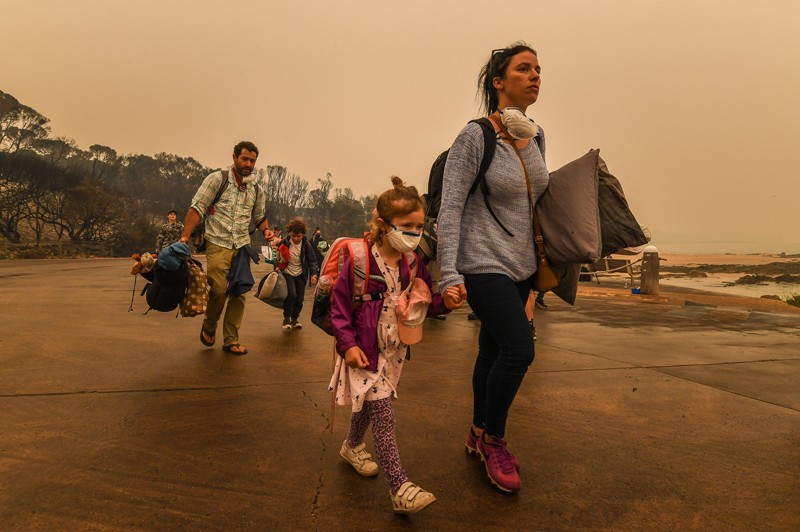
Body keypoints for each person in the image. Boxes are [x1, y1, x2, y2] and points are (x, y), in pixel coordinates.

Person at [437, 42, 549, 493]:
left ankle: (477, 429)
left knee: (493, 348)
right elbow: (450, 207)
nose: (535, 75)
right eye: (524, 68)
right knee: (520, 350)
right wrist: (449, 275)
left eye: (538, 69)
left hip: (521, 265)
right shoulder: (475, 136)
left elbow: (536, 206)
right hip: (482, 262)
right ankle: (494, 441)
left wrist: (537, 282)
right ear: (499, 82)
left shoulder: (537, 135)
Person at [328, 176, 461, 514]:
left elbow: (424, 300)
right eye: (407, 226)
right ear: (383, 224)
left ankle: (351, 445)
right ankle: (400, 487)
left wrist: (445, 302)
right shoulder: (361, 260)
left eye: (418, 226)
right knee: (383, 413)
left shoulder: (413, 263)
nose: (414, 233)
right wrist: (348, 345)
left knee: (370, 404)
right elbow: (339, 308)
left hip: (394, 351)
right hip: (363, 350)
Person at [179, 141, 273, 355]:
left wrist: (266, 230)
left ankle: (231, 339)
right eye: (244, 159)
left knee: (239, 292)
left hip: (242, 244)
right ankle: (209, 324)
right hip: (218, 242)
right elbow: (197, 207)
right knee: (219, 289)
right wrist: (184, 237)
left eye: (252, 161)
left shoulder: (256, 189)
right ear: (234, 158)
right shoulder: (217, 180)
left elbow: (259, 217)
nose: (248, 164)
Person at [277, 218, 319, 330]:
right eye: (293, 236)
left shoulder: (306, 245)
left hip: (301, 274)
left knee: (300, 298)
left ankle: (295, 319)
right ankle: (287, 318)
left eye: (298, 236)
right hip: (287, 272)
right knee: (292, 294)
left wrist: (314, 274)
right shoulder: (284, 242)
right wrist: (277, 267)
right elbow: (277, 256)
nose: (295, 238)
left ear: (303, 234)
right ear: (289, 234)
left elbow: (312, 260)